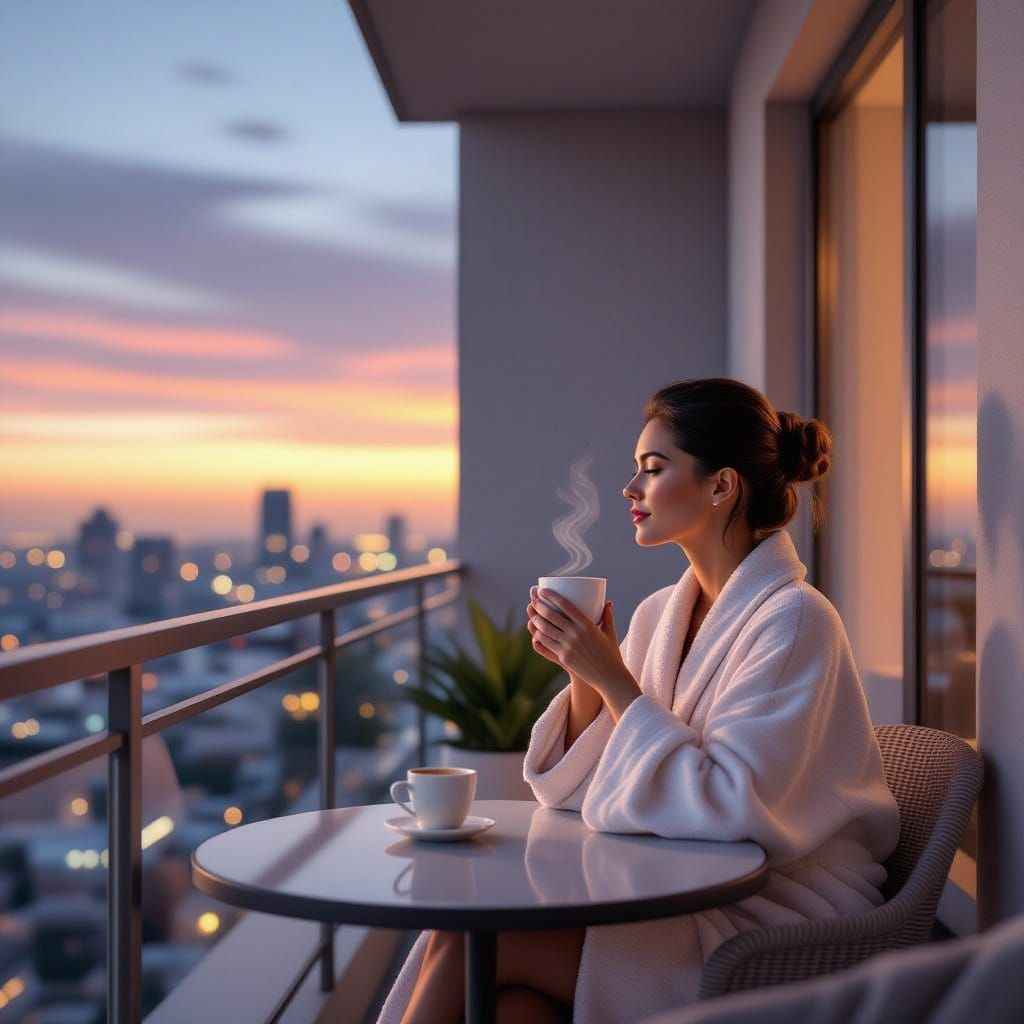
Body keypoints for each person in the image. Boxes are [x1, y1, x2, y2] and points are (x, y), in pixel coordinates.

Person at [377, 377, 900, 1024]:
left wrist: (615, 679)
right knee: (510, 1005)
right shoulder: (660, 615)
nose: (630, 489)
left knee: (470, 941)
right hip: (675, 885)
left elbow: (729, 805)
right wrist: (585, 677)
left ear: (721, 485)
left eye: (653, 468)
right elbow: (579, 791)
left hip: (769, 913)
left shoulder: (794, 621)